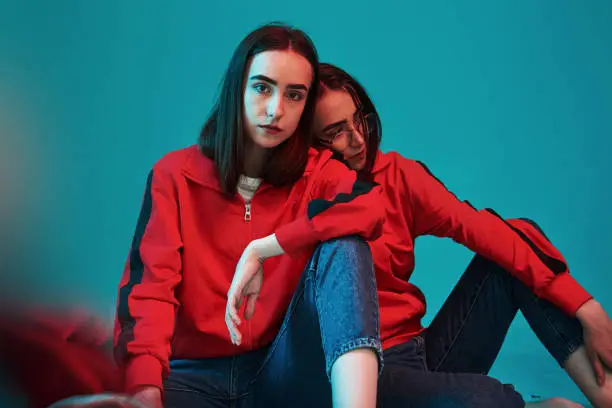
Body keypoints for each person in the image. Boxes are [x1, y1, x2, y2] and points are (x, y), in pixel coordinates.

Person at [113, 24, 386, 408]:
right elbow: (150, 293)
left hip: (279, 371)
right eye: (262, 87)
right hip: (190, 377)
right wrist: (145, 391)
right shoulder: (173, 176)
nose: (276, 110)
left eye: (294, 96)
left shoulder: (319, 172)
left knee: (345, 245)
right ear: (237, 89)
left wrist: (265, 248)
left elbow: (372, 207)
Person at [312, 62, 612, 408]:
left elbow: (480, 228)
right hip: (362, 375)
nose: (359, 139)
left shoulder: (394, 174)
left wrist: (588, 309)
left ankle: (605, 395)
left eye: (359, 119)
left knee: (516, 242)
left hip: (424, 355)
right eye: (336, 131)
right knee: (485, 400)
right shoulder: (300, 202)